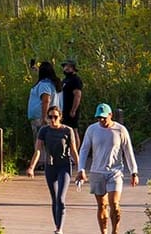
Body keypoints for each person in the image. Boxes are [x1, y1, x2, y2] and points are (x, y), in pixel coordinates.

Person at [79, 103, 139, 234]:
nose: (101, 120)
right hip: (97, 171)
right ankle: (103, 232)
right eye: (99, 118)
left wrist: (134, 171)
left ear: (110, 115)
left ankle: (115, 231)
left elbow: (128, 151)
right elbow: (84, 150)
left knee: (115, 205)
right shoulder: (92, 130)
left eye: (104, 118)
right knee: (102, 205)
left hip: (115, 171)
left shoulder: (120, 130)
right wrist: (81, 169)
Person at [28, 104, 82, 233]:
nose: (53, 119)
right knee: (54, 198)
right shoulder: (44, 130)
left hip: (64, 166)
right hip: (50, 167)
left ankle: (60, 229)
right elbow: (38, 150)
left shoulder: (67, 131)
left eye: (55, 117)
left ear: (60, 117)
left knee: (61, 199)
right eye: (50, 117)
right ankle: (57, 226)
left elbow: (74, 151)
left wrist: (81, 169)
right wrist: (31, 167)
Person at [29, 60, 61, 135]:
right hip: (42, 117)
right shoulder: (49, 84)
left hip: (41, 118)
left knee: (40, 142)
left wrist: (44, 118)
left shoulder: (44, 84)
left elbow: (46, 100)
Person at [61, 58, 85, 128]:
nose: (66, 68)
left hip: (70, 109)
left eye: (69, 66)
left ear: (74, 68)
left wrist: (73, 110)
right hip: (64, 109)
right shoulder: (65, 80)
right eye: (65, 66)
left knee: (73, 129)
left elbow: (77, 95)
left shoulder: (75, 80)